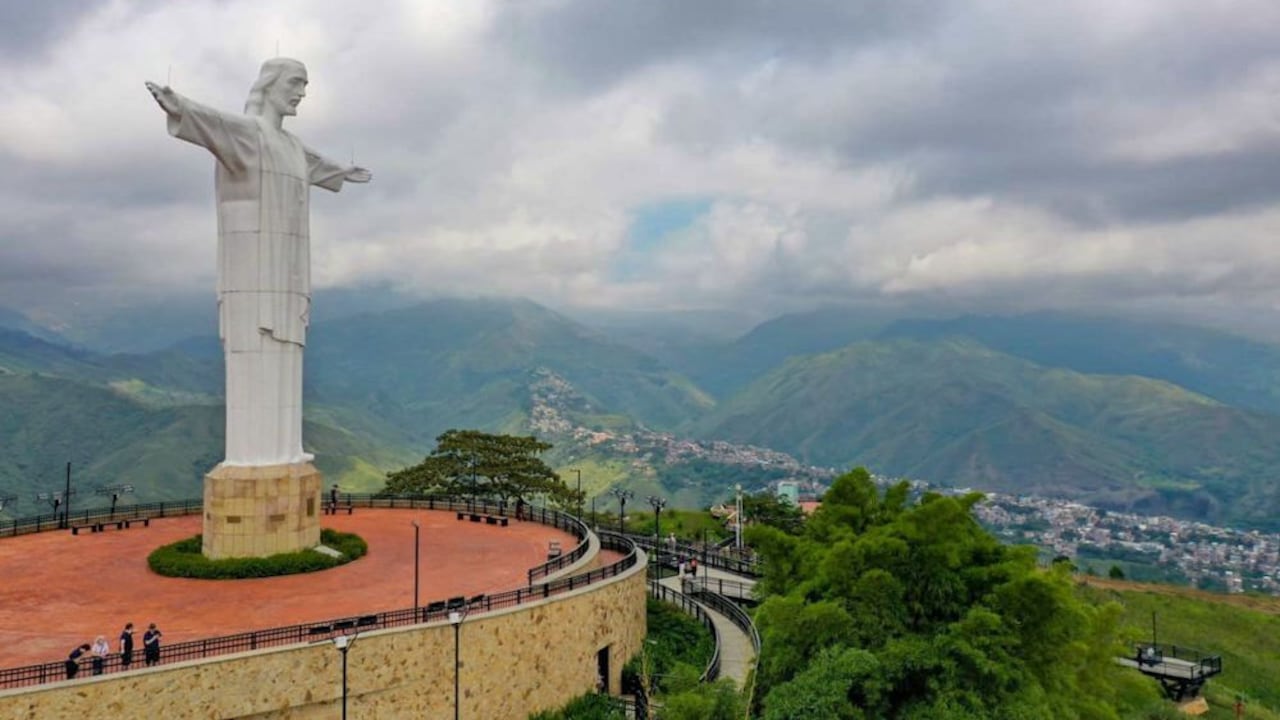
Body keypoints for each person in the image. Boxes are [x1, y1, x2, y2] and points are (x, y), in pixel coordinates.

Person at [145, 58, 370, 466]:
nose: (302, 92)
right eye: (297, 83)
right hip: (251, 270)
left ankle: (285, 448)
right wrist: (178, 104)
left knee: (287, 353)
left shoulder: (291, 145)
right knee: (255, 354)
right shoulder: (248, 135)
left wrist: (344, 171)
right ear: (270, 85)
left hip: (287, 270)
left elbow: (316, 164)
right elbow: (211, 121)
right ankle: (252, 454)